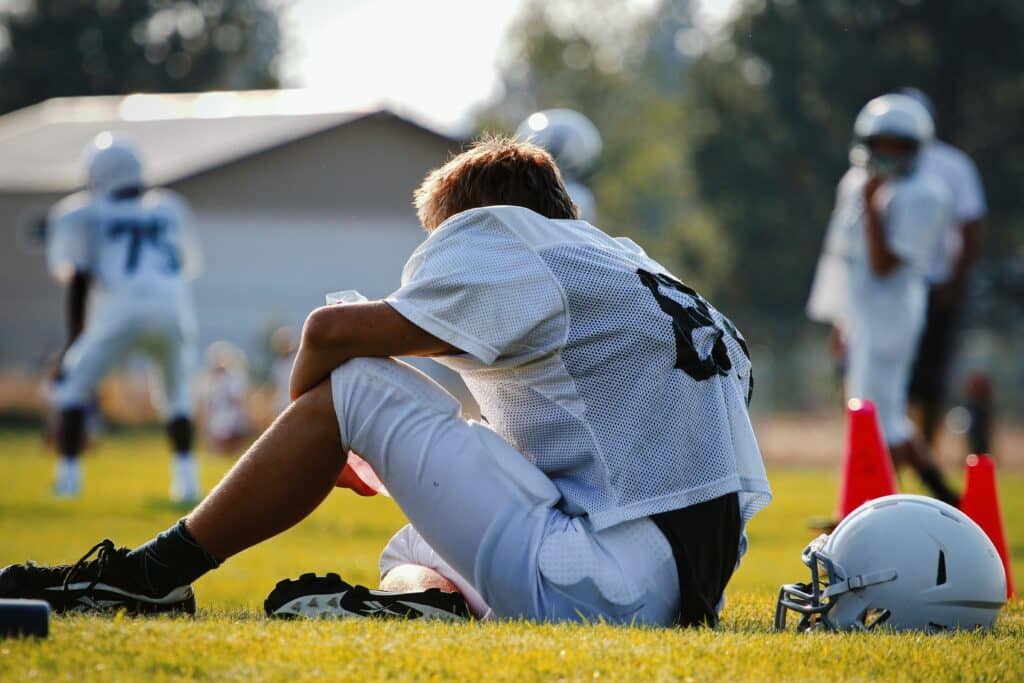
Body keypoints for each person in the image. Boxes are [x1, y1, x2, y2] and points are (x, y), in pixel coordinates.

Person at [1, 136, 771, 628]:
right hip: (669, 583)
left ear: (478, 221)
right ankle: (422, 605)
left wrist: (322, 423)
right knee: (413, 541)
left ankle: (148, 576)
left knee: (358, 381)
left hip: (605, 582)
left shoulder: (509, 235)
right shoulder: (630, 265)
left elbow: (329, 335)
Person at [807, 94, 958, 505]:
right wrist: (843, 319)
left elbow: (884, 264)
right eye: (882, 144)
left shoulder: (925, 193)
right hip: (865, 316)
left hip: (893, 316)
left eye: (898, 146)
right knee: (881, 417)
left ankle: (877, 503)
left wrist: (874, 207)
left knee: (874, 418)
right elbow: (846, 261)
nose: (888, 154)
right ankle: (943, 497)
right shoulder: (856, 182)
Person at [44, 132, 202, 502]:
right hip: (171, 305)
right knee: (177, 395)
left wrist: (73, 340)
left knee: (72, 388)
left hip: (120, 308)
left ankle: (68, 481)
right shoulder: (168, 207)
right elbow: (187, 265)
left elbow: (79, 278)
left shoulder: (82, 213)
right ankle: (187, 482)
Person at [899, 88, 988, 449]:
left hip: (936, 287)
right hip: (891, 291)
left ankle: (925, 453)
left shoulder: (952, 166)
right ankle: (890, 455)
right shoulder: (880, 166)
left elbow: (971, 228)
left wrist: (954, 283)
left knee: (929, 380)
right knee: (890, 381)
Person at [199, 341, 251, 456]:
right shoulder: (209, 380)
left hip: (229, 414)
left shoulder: (231, 377)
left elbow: (236, 398)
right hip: (217, 415)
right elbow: (208, 401)